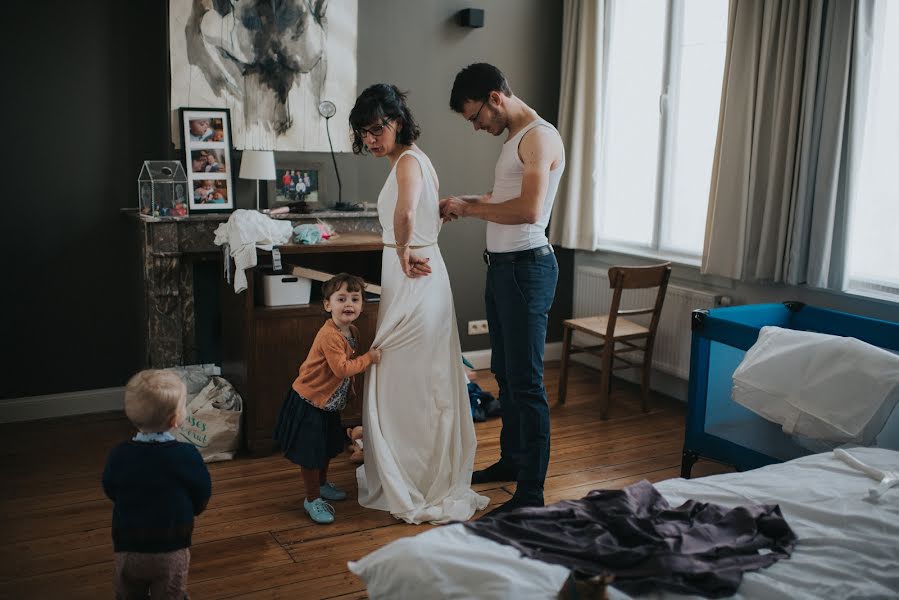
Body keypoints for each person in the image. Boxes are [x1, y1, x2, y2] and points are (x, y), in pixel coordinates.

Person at [349, 84, 489, 524]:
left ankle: (414, 474)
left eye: (376, 129)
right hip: (418, 271)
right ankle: (418, 468)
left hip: (414, 274)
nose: (371, 139)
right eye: (364, 133)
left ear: (398, 121)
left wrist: (405, 250)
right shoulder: (418, 161)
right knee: (416, 377)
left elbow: (406, 214)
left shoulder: (409, 162)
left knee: (404, 378)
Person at [440, 63, 566, 515]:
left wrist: (472, 212)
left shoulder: (538, 136)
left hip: (526, 269)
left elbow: (531, 210)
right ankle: (512, 462)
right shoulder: (517, 140)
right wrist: (466, 202)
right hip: (504, 269)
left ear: (495, 98)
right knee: (507, 377)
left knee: (527, 384)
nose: (476, 127)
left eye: (476, 117)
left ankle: (531, 492)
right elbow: (505, 198)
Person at [273, 273, 382, 524]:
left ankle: (321, 485)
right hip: (310, 402)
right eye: (341, 298)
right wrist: (369, 358)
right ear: (327, 305)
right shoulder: (330, 335)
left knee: (324, 448)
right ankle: (311, 499)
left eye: (355, 299)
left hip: (327, 404)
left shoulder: (350, 330)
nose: (349, 304)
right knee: (311, 453)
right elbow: (342, 369)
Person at [102, 369, 212, 599]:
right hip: (171, 547)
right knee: (170, 594)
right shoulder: (186, 454)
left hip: (128, 547)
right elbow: (202, 492)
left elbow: (110, 487)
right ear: (175, 419)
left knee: (129, 593)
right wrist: (195, 508)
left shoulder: (119, 454)